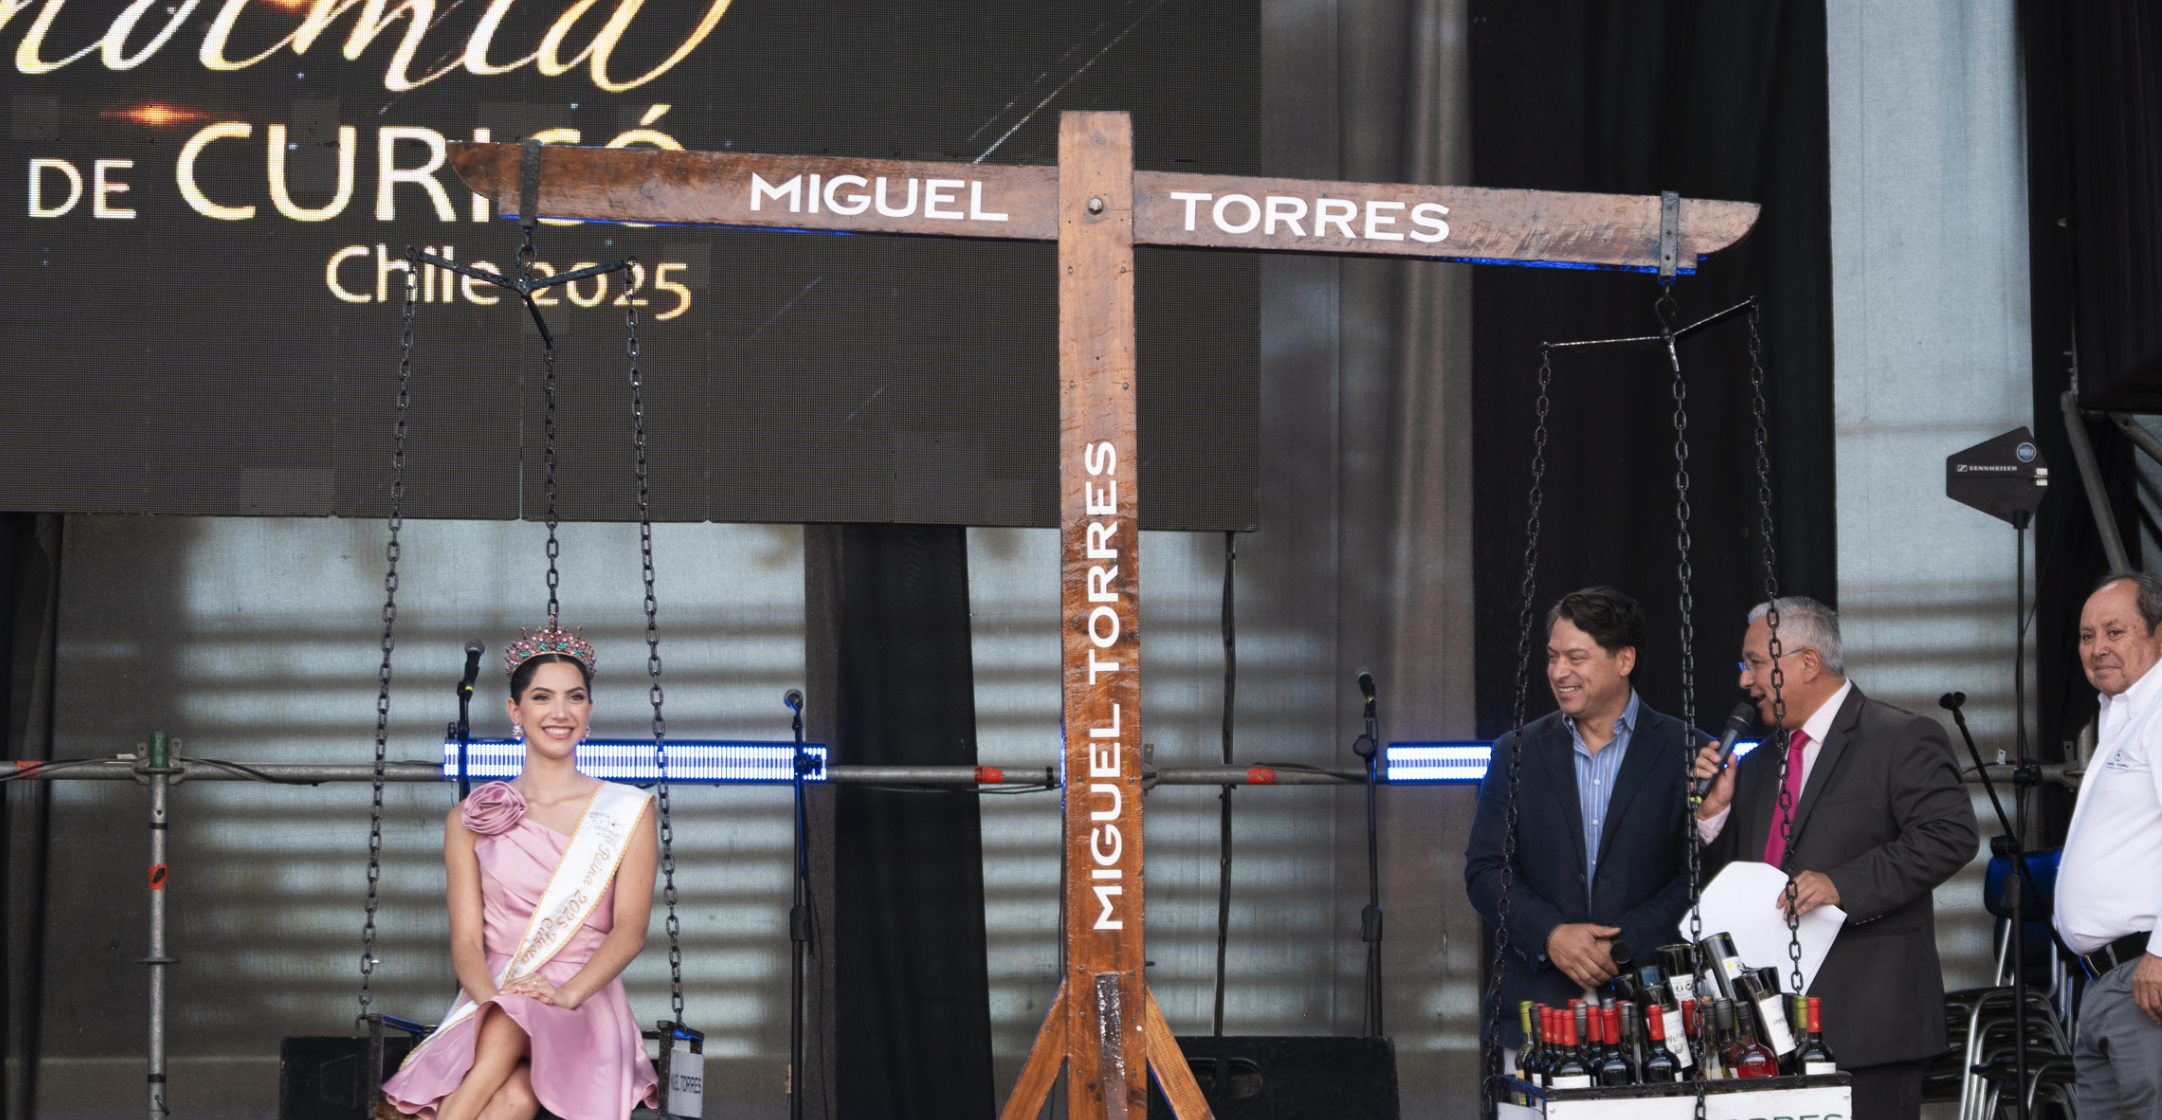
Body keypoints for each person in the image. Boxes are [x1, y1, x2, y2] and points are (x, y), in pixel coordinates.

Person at [1693, 596, 1976, 1120]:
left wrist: (1841, 884)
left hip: (1868, 1018)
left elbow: (1950, 835)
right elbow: (1739, 883)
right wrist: (1713, 816)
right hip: (1772, 1027)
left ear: (1807, 662)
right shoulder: (1758, 764)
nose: (1744, 681)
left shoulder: (1899, 736)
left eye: (1754, 663)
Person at [382, 620, 661, 1120]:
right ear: (516, 710)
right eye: (541, 697)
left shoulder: (627, 811)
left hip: (584, 1002)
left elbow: (629, 932)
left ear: (589, 710)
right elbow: (467, 943)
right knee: (513, 1097)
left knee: (517, 1022)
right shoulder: (470, 818)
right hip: (493, 995)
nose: (560, 712)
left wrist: (564, 994)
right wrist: (493, 1002)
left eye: (575, 697)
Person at [1467, 587, 1706, 1055]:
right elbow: (1485, 870)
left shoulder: (1689, 752)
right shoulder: (1515, 753)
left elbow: (1698, 880)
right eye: (1552, 656)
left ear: (1624, 660)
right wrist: (1553, 936)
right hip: (1535, 1017)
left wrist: (1621, 947)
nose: (1558, 672)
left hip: (1655, 1018)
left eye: (1576, 657)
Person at [2056, 572, 2162, 1120]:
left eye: (2115, 631)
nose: (2098, 648)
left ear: (2158, 633)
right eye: (2086, 635)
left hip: (2146, 976)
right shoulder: (2120, 715)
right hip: (2105, 981)